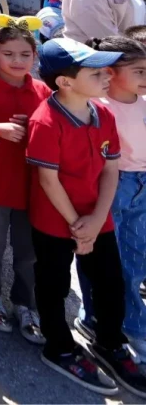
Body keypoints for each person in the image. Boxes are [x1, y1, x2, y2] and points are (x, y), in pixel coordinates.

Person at [27, 38, 146, 397]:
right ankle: (59, 346)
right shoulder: (46, 121)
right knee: (54, 284)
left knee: (110, 281)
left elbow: (111, 169)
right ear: (65, 82)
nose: (107, 76)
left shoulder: (103, 114)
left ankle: (109, 341)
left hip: (96, 216)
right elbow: (48, 180)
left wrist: (96, 219)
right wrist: (78, 226)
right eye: (96, 73)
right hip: (55, 220)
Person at [0, 17, 46, 344]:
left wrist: (36, 129)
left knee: (28, 250)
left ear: (35, 56)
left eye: (25, 54)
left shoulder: (43, 91)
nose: (17, 61)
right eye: (8, 54)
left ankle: (26, 302)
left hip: (33, 184)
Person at [93, 37, 146, 359]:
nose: (145, 77)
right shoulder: (98, 107)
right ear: (111, 72)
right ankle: (99, 318)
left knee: (136, 261)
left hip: (142, 185)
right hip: (112, 185)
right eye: (139, 71)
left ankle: (132, 324)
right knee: (105, 260)